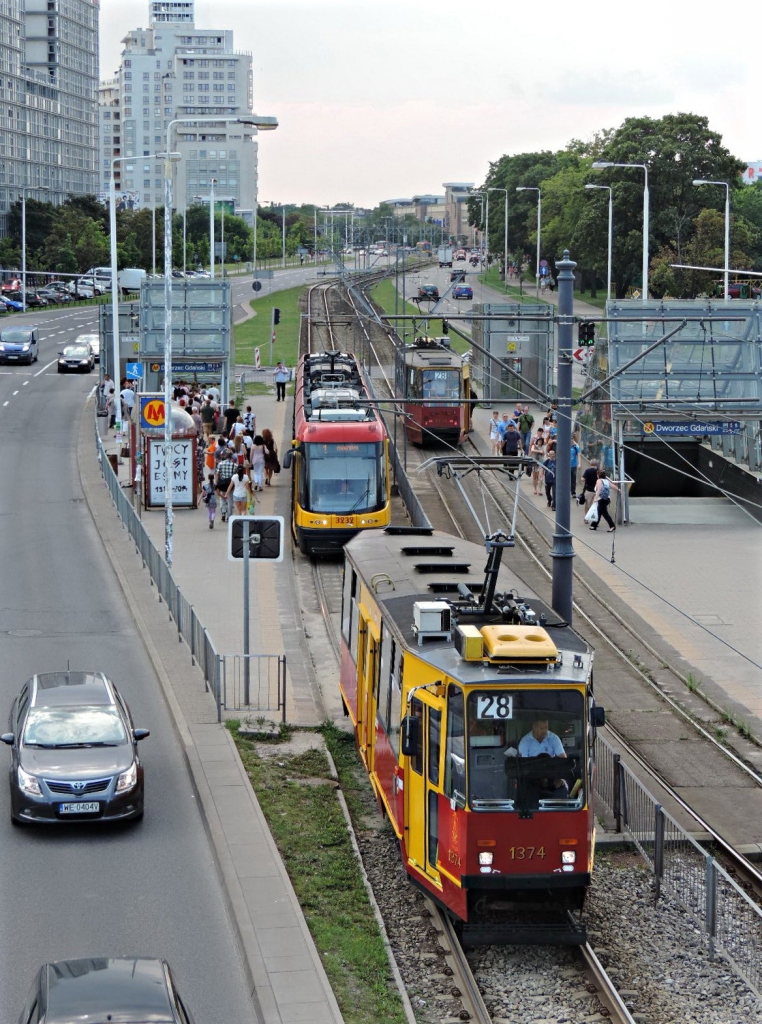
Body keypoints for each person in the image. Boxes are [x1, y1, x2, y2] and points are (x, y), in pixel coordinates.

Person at [518, 718, 568, 796]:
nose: (544, 731)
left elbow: (563, 759)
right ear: (534, 727)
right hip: (532, 776)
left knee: (562, 789)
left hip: (551, 774)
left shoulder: (554, 738)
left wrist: (560, 777)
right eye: (541, 728)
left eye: (546, 727)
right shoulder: (525, 741)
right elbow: (524, 764)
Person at [215, 447, 236, 521]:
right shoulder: (234, 465)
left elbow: (217, 474)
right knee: (230, 499)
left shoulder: (220, 464)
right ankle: (229, 515)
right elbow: (235, 476)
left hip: (222, 483)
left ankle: (223, 513)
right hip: (230, 484)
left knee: (222, 498)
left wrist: (216, 483)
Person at [529, 428, 546, 495]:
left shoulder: (542, 447)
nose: (540, 442)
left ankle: (540, 490)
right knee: (535, 477)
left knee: (540, 477)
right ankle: (535, 489)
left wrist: (542, 452)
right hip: (534, 463)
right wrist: (539, 451)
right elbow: (532, 450)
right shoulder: (534, 446)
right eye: (539, 441)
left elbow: (544, 453)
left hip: (541, 463)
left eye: (541, 442)